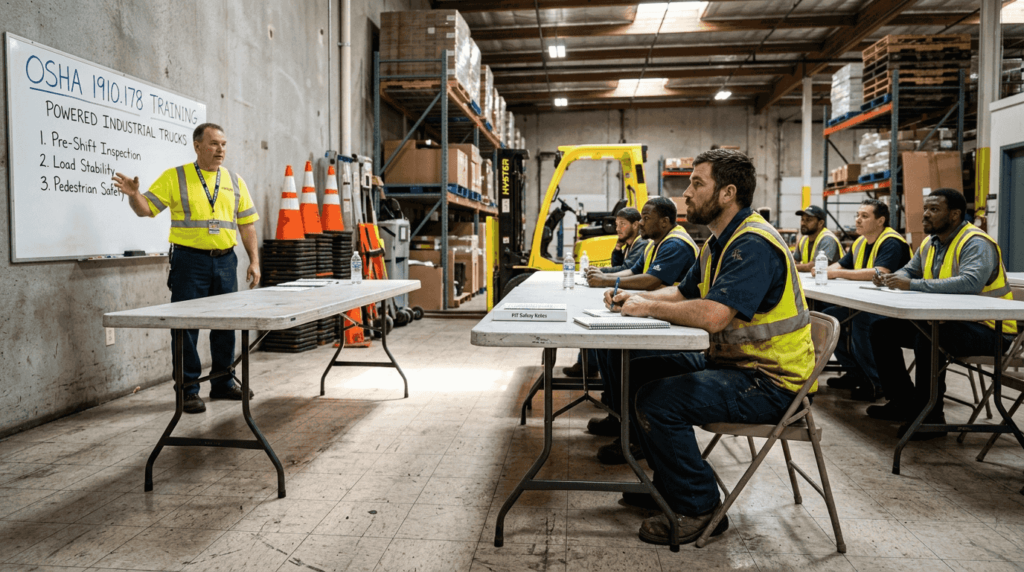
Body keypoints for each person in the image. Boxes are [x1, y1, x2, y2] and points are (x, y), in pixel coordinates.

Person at [602, 149, 816, 545]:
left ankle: (699, 507)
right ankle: (671, 485)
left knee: (658, 401)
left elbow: (715, 316)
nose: (686, 193)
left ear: (727, 193)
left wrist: (647, 306)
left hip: (772, 382)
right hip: (737, 367)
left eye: (697, 184)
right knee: (641, 369)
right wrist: (631, 298)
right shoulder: (719, 243)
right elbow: (682, 293)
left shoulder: (752, 244)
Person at [112, 123, 261, 414]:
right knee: (185, 326)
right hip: (189, 262)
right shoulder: (175, 177)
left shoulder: (234, 180)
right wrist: (133, 195)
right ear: (197, 146)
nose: (220, 150)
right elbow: (146, 209)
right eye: (214, 144)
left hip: (226, 261)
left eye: (224, 144)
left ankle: (222, 382)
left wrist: (254, 260)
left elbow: (247, 225)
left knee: (225, 325)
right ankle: (188, 390)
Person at [869, 188, 1017, 439]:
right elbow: (909, 271)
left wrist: (911, 284)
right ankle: (903, 402)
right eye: (926, 208)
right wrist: (891, 278)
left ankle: (931, 416)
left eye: (934, 209)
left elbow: (971, 283)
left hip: (991, 329)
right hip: (951, 322)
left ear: (955, 215)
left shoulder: (976, 242)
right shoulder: (930, 242)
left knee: (929, 336)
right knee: (882, 329)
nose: (926, 214)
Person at [581, 197, 699, 455]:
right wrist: (607, 278)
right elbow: (634, 271)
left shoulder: (676, 244)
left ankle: (636, 436)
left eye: (646, 218)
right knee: (605, 345)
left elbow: (651, 280)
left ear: (665, 222)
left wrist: (607, 282)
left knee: (624, 356)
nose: (641, 223)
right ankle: (617, 417)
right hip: (657, 315)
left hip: (674, 322)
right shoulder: (654, 245)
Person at [813, 199, 911, 401]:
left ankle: (876, 382)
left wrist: (835, 273)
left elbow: (880, 272)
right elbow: (841, 265)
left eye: (864, 216)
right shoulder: (860, 242)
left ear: (880, 220)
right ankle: (855, 373)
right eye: (857, 215)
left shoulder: (892, 242)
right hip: (867, 302)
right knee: (831, 318)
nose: (858, 220)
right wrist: (824, 269)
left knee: (860, 321)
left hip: (890, 307)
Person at [563, 207, 648, 378]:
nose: (618, 228)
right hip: (628, 291)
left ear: (635, 225)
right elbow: (620, 265)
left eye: (622, 224)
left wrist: (601, 273)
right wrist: (617, 248)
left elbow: (626, 269)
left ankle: (588, 364)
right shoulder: (629, 245)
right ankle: (587, 363)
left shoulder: (641, 244)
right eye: (616, 225)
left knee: (596, 316)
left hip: (635, 296)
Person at [793, 205, 843, 272]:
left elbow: (815, 266)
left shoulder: (828, 240)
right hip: (811, 277)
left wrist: (791, 266)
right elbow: (793, 260)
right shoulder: (803, 240)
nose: (803, 223)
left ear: (820, 223)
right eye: (802, 219)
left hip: (830, 278)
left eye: (808, 220)